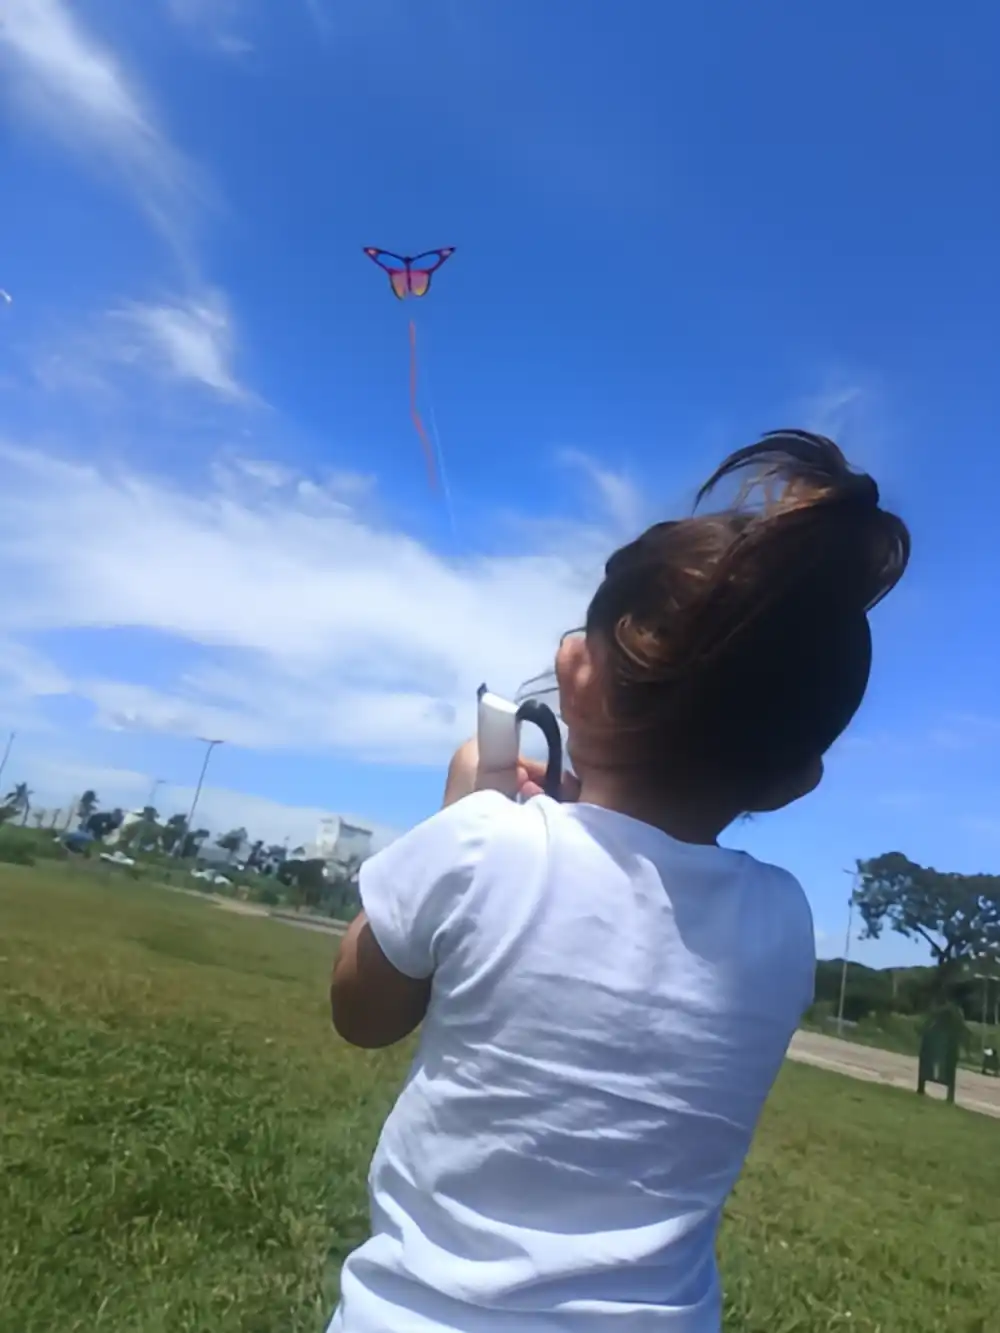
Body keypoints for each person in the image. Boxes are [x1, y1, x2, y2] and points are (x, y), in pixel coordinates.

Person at [328, 429, 910, 1333]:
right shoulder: (784, 926)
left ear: (576, 672)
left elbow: (362, 1013)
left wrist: (460, 820)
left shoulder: (482, 841)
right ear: (797, 779)